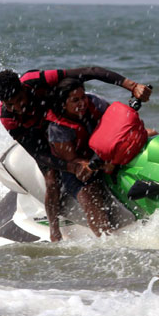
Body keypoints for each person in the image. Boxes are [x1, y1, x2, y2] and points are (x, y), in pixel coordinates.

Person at [0, 67, 151, 241]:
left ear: (23, 88)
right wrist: (72, 167)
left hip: (60, 117)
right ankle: (54, 229)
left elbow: (90, 72)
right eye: (10, 105)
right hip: (38, 135)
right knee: (52, 180)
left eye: (19, 100)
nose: (17, 108)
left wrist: (132, 86)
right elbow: (37, 152)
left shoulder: (35, 80)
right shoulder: (8, 118)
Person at [45, 78, 114, 238]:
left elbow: (117, 122)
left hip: (101, 154)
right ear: (63, 104)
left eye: (83, 97)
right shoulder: (58, 127)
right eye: (75, 100)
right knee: (90, 192)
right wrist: (103, 165)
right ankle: (105, 240)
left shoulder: (95, 102)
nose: (82, 103)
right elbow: (75, 162)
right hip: (73, 167)